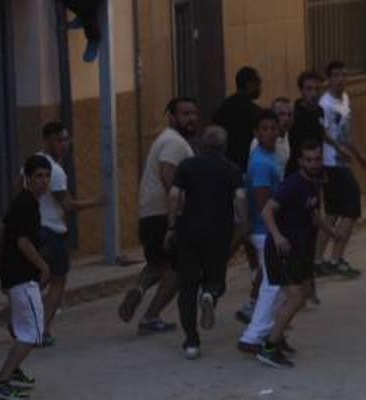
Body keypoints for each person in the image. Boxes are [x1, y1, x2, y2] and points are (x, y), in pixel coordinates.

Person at [119, 96, 198, 334]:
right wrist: (182, 211)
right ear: (172, 117)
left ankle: (139, 289)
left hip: (150, 214)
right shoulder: (175, 143)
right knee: (180, 268)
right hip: (166, 215)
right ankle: (151, 316)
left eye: (194, 113)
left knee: (158, 264)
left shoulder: (166, 139)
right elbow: (168, 176)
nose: (191, 118)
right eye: (185, 114)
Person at [167, 125, 247, 360]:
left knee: (187, 286)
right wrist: (243, 226)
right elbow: (240, 199)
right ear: (224, 146)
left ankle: (191, 342)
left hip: (187, 232)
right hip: (218, 233)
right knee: (216, 279)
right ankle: (210, 294)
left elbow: (174, 197)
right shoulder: (232, 170)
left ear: (202, 144)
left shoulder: (187, 166)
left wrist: (171, 226)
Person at [256, 139, 335, 368]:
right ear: (300, 162)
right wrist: (278, 236)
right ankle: (268, 348)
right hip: (282, 250)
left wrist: (331, 231)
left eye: (318, 159)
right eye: (309, 160)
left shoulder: (315, 182)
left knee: (305, 292)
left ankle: (277, 338)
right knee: (296, 296)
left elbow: (312, 213)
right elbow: (267, 211)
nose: (314, 163)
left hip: (300, 250)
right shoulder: (292, 184)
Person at [35, 121, 105, 346]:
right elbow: (66, 205)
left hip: (35, 229)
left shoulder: (32, 162)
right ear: (47, 140)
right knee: (57, 281)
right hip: (52, 231)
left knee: (38, 279)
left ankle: (25, 320)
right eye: (59, 140)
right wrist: (94, 202)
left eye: (66, 140)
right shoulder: (54, 171)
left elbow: (16, 186)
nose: (64, 145)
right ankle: (41, 329)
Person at [0, 156, 53, 400]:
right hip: (23, 277)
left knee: (23, 328)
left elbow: (1, 233)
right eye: (38, 176)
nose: (43, 181)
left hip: (15, 276)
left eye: (47, 176)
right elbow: (22, 241)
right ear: (28, 178)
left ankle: (12, 371)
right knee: (33, 332)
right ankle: (1, 381)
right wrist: (43, 266)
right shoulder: (26, 203)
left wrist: (4, 269)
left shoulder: (24, 202)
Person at [315, 60, 366, 279]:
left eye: (344, 75)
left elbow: (347, 132)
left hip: (344, 161)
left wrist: (358, 154)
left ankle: (321, 260)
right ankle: (333, 259)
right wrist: (340, 150)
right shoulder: (325, 104)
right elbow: (323, 133)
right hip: (331, 163)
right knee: (349, 209)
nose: (341, 80)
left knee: (334, 212)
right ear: (329, 79)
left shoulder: (345, 99)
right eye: (336, 75)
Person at [238, 110, 286, 355]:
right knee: (273, 284)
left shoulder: (269, 156)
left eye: (272, 128)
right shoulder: (260, 163)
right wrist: (276, 232)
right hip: (264, 230)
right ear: (256, 133)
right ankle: (254, 335)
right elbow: (263, 202)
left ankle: (270, 332)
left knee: (276, 283)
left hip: (266, 230)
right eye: (264, 129)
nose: (269, 133)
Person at [211, 66, 263, 172]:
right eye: (258, 84)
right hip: (248, 165)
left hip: (224, 165)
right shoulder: (256, 113)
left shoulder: (222, 108)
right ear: (249, 84)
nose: (260, 88)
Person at [288, 70, 326, 175]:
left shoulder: (320, 111)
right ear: (301, 90)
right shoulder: (292, 113)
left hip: (316, 168)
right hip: (297, 171)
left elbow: (322, 136)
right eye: (309, 89)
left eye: (317, 89)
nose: (314, 93)